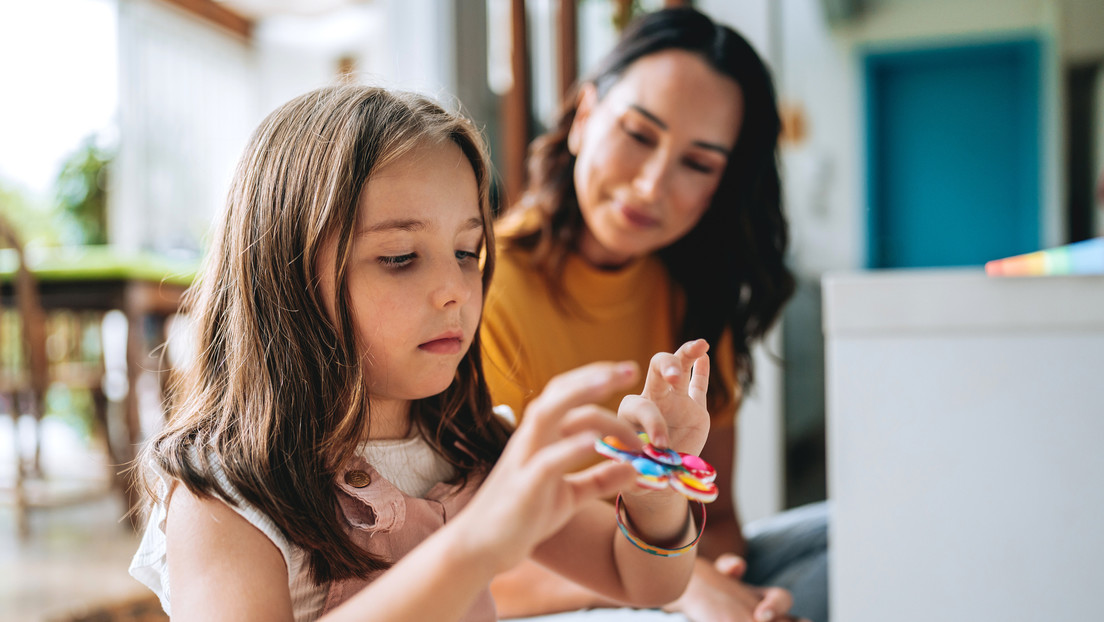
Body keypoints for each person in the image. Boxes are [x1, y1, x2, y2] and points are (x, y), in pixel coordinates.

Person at [128, 84, 716, 622]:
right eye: (400, 258)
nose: (455, 290)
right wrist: (477, 542)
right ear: (282, 277)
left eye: (467, 251)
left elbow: (640, 581)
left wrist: (654, 489)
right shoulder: (227, 494)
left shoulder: (471, 450)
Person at [482, 7, 828, 622]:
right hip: (535, 596)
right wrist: (684, 586)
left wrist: (726, 585)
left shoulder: (697, 298)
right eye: (638, 134)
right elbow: (465, 560)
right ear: (585, 118)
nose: (650, 184)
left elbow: (716, 520)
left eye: (697, 163)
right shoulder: (475, 286)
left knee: (849, 544)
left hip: (660, 577)